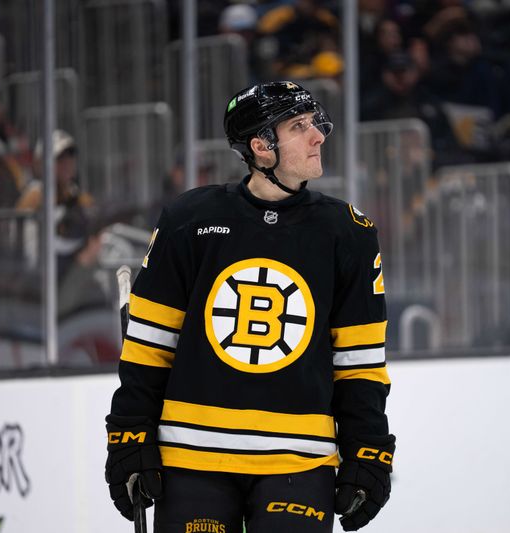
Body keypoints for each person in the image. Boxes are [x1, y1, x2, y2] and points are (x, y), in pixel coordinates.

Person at [105, 81, 395, 532]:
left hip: (299, 462)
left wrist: (369, 451)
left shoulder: (349, 234)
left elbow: (359, 363)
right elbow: (148, 346)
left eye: (314, 122)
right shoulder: (189, 221)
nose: (318, 135)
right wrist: (128, 437)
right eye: (299, 127)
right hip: (191, 458)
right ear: (261, 147)